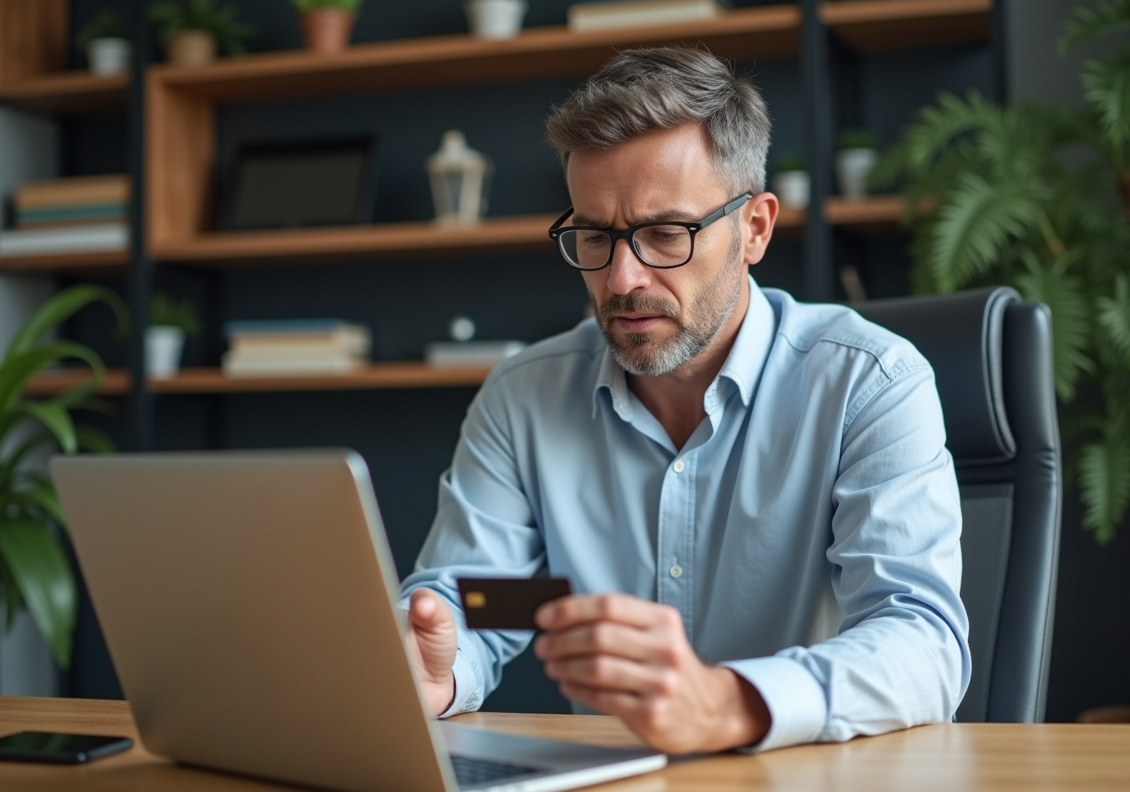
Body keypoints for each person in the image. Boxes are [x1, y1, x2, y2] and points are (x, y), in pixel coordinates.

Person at [399, 46, 970, 755]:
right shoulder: (524, 398)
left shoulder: (869, 384)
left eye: (665, 233)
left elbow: (922, 641)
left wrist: (730, 704)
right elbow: (480, 602)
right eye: (595, 237)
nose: (621, 278)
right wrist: (434, 668)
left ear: (754, 228)